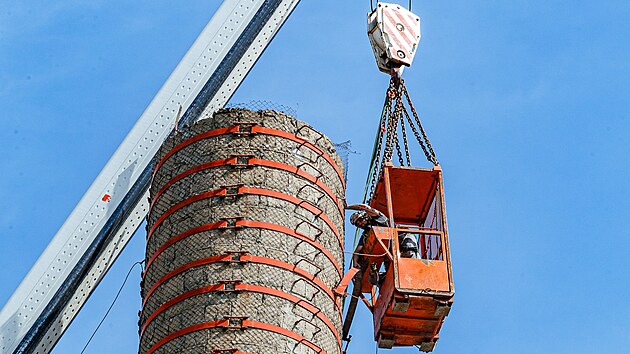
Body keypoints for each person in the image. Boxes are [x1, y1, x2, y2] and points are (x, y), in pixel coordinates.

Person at [347, 203, 389, 269]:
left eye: (360, 220)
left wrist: (347, 207)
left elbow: (364, 207)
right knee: (388, 265)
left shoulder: (377, 217)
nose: (360, 224)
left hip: (401, 237)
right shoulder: (366, 234)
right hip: (390, 249)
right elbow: (357, 251)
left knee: (408, 249)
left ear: (365, 217)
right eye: (358, 224)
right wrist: (355, 262)